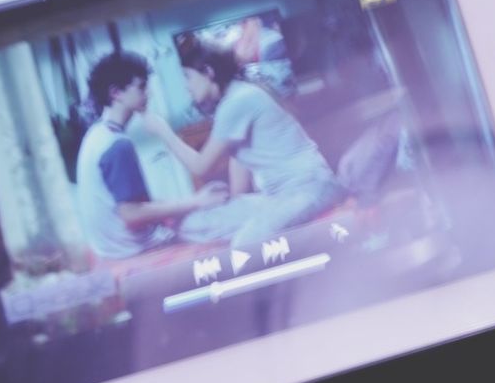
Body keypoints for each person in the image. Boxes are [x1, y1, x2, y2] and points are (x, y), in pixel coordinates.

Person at [139, 36, 347, 247]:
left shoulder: (237, 101)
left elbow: (201, 167)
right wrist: (232, 207)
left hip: (311, 188)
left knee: (245, 242)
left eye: (188, 77)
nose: (186, 87)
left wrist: (163, 131)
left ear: (209, 73)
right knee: (190, 225)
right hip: (276, 197)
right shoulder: (232, 99)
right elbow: (238, 163)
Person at [75, 51, 232, 260]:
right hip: (131, 248)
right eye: (141, 87)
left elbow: (133, 206)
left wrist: (187, 203)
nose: (148, 93)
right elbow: (131, 214)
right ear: (116, 93)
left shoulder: (97, 134)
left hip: (113, 246)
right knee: (221, 233)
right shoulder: (117, 144)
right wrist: (197, 201)